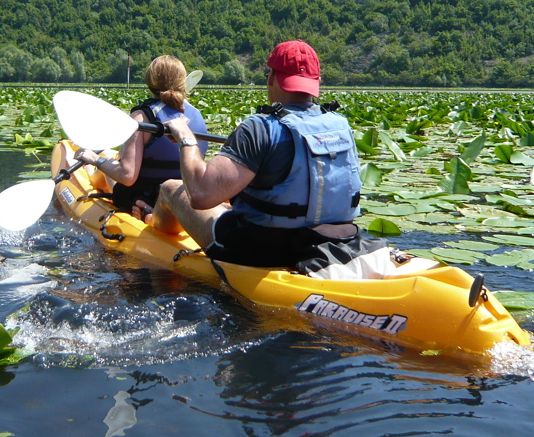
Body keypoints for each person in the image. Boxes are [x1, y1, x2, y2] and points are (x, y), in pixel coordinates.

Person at [151, 40, 362, 268]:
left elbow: (202, 195)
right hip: (336, 240)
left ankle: (152, 236)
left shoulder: (259, 128)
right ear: (317, 82)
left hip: (268, 250)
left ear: (271, 78)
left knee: (170, 188)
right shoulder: (340, 124)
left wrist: (185, 137)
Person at [75, 55, 209, 221]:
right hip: (183, 196)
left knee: (108, 160)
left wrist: (96, 160)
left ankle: (90, 169)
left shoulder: (141, 117)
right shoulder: (198, 115)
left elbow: (127, 176)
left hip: (143, 195)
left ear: (149, 81)